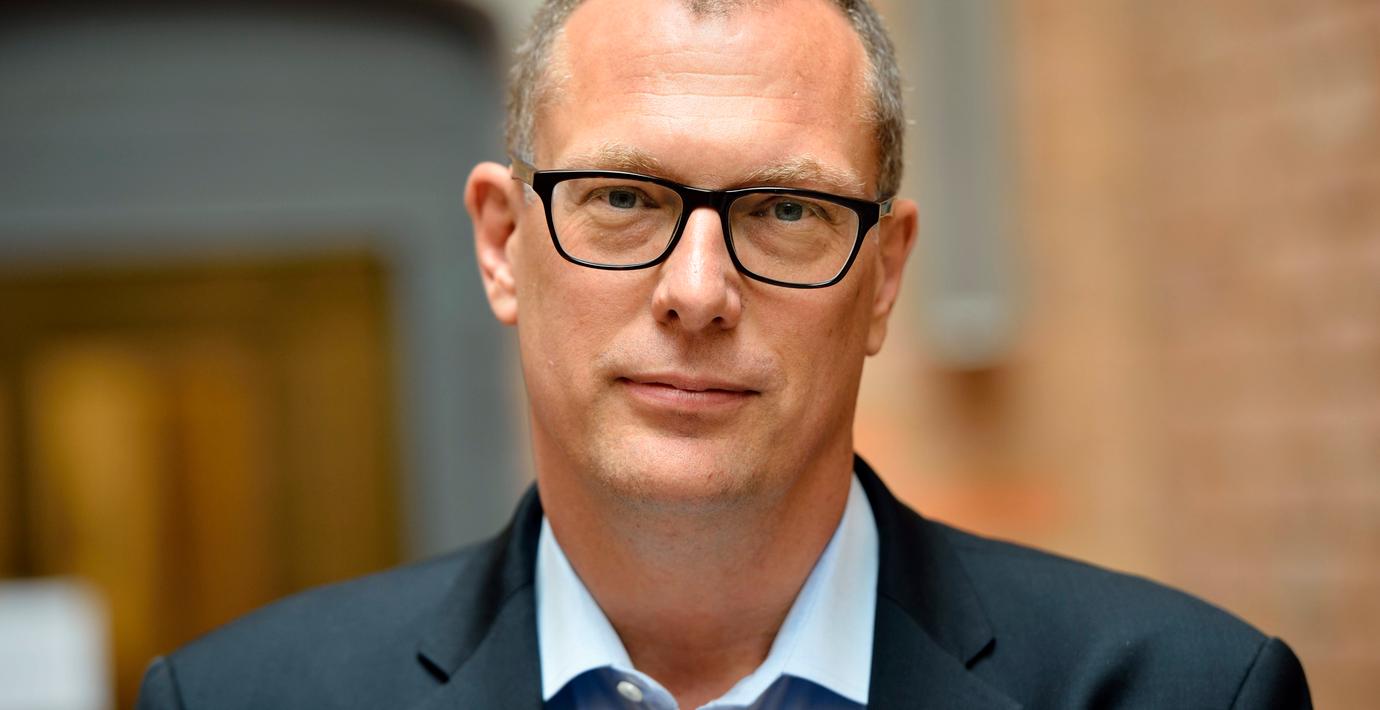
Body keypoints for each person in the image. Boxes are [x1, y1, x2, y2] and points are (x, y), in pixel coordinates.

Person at [137, 0, 1312, 708]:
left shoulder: (1185, 691)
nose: (697, 292)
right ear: (502, 245)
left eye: (786, 210)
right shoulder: (240, 698)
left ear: (883, 276)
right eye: (622, 197)